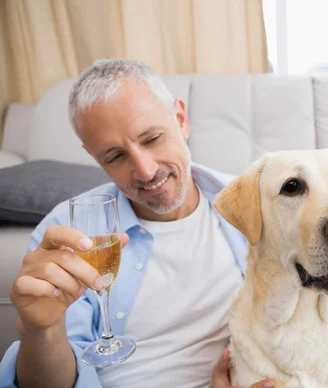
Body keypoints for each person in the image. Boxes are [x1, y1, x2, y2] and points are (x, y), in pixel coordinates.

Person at [0, 59, 273, 388]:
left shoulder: (252, 205)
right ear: (95, 158)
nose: (145, 170)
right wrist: (40, 330)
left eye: (152, 138)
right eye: (115, 156)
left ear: (181, 119)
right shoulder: (64, 235)